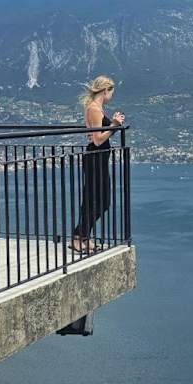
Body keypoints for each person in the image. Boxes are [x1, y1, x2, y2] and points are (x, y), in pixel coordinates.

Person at [72, 75, 125, 252]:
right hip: (95, 158)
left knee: (97, 200)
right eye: (111, 92)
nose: (112, 96)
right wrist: (113, 125)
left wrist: (114, 124)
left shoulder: (97, 108)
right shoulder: (94, 109)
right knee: (98, 201)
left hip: (100, 159)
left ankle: (83, 236)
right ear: (105, 90)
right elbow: (97, 140)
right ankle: (78, 237)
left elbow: (101, 135)